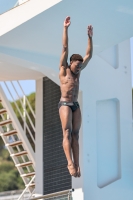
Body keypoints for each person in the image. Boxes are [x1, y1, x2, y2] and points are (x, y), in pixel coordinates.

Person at [58, 16, 93, 177]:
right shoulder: (64, 70)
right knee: (66, 131)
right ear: (71, 63)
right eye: (77, 66)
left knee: (76, 135)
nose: (79, 69)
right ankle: (69, 163)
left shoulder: (79, 71)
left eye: (80, 67)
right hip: (64, 104)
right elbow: (65, 47)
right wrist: (65, 28)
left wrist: (90, 38)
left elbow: (89, 55)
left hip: (75, 105)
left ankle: (77, 165)